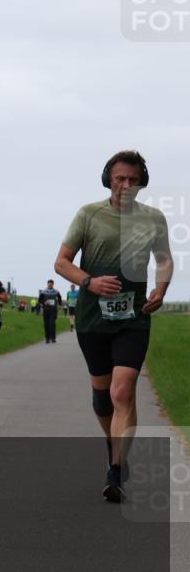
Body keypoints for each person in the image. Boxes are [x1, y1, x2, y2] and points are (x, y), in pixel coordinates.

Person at [54, 150, 171, 503]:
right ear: (109, 179)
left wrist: (161, 289)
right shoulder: (89, 214)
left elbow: (164, 260)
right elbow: (61, 263)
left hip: (134, 317)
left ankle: (116, 471)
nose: (126, 185)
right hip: (93, 317)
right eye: (120, 178)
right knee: (103, 397)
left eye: (134, 180)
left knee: (123, 390)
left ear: (142, 182)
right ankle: (113, 444)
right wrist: (89, 282)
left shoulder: (153, 218)